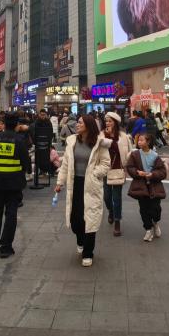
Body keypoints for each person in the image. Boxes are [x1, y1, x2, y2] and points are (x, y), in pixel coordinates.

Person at [55, 114, 112, 266]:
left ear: (88, 125)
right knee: (75, 220)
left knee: (90, 219)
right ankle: (80, 240)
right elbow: (66, 164)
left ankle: (88, 253)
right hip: (75, 184)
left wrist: (94, 174)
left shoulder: (99, 143)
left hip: (91, 185)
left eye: (80, 123)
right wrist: (60, 182)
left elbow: (106, 163)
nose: (77, 125)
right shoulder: (72, 141)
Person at [0, 112, 29, 258]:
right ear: (17, 124)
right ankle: (5, 247)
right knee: (11, 214)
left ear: (4, 123)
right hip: (13, 183)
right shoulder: (19, 140)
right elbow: (26, 162)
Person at [126, 131, 167, 242]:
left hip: (154, 186)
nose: (139, 142)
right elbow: (130, 167)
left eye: (141, 140)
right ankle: (148, 229)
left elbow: (163, 172)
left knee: (155, 208)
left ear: (148, 142)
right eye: (138, 140)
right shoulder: (135, 154)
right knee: (143, 209)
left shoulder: (155, 156)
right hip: (141, 186)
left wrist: (152, 174)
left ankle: (155, 222)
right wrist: (137, 173)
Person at [101, 111, 132, 236]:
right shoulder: (102, 135)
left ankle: (117, 221)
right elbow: (99, 147)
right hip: (105, 169)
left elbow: (128, 151)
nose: (107, 123)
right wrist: (108, 136)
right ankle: (111, 211)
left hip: (118, 168)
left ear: (116, 122)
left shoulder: (123, 136)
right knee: (107, 196)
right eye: (106, 121)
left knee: (117, 197)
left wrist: (127, 164)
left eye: (110, 121)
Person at [31, 109, 55, 189]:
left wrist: (49, 143)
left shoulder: (48, 122)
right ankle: (40, 171)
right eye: (41, 115)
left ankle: (45, 171)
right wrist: (35, 142)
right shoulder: (36, 122)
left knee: (45, 158)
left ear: (46, 115)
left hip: (46, 144)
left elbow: (51, 133)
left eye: (44, 115)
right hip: (38, 144)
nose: (42, 116)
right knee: (38, 158)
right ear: (39, 115)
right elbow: (34, 133)